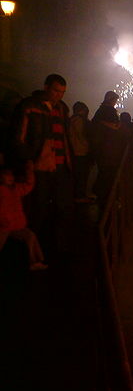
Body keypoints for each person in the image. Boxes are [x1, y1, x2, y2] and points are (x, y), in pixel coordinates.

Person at [10, 73, 73, 238]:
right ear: (46, 88)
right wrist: (28, 161)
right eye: (55, 91)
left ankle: (51, 242)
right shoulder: (30, 106)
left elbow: (65, 137)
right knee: (39, 207)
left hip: (59, 165)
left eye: (62, 92)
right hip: (39, 165)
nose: (58, 95)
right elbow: (19, 137)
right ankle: (33, 244)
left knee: (60, 206)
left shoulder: (62, 108)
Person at [0, 161, 47, 270]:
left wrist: (30, 171)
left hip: (16, 225)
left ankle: (34, 262)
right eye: (7, 176)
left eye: (11, 175)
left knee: (30, 236)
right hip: (3, 226)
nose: (10, 178)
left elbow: (28, 185)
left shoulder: (16, 188)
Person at [91, 91, 125, 206]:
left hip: (101, 148)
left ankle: (101, 195)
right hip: (109, 148)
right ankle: (106, 197)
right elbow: (115, 126)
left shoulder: (99, 111)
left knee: (104, 171)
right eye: (115, 100)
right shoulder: (109, 111)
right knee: (108, 173)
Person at [69, 101, 92, 201]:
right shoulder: (78, 120)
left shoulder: (71, 120)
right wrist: (88, 145)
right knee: (81, 174)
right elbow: (80, 135)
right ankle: (79, 195)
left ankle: (77, 194)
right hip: (80, 151)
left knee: (77, 174)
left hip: (74, 151)